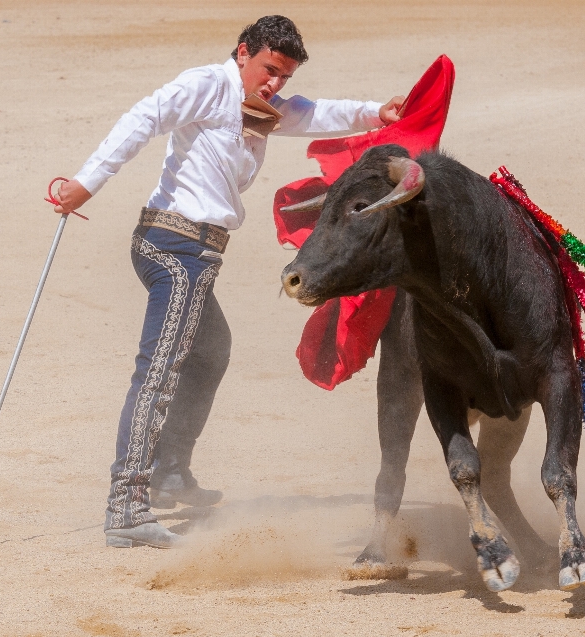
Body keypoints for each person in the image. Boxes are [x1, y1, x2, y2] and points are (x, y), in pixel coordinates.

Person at [53, 15, 405, 549]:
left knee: (211, 348)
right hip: (177, 248)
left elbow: (312, 112)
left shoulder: (260, 106)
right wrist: (86, 183)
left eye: (283, 76)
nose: (274, 84)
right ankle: (126, 506)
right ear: (243, 53)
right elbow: (143, 118)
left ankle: (170, 469)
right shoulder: (207, 85)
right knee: (160, 369)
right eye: (268, 70)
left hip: (194, 251)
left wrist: (375, 113)